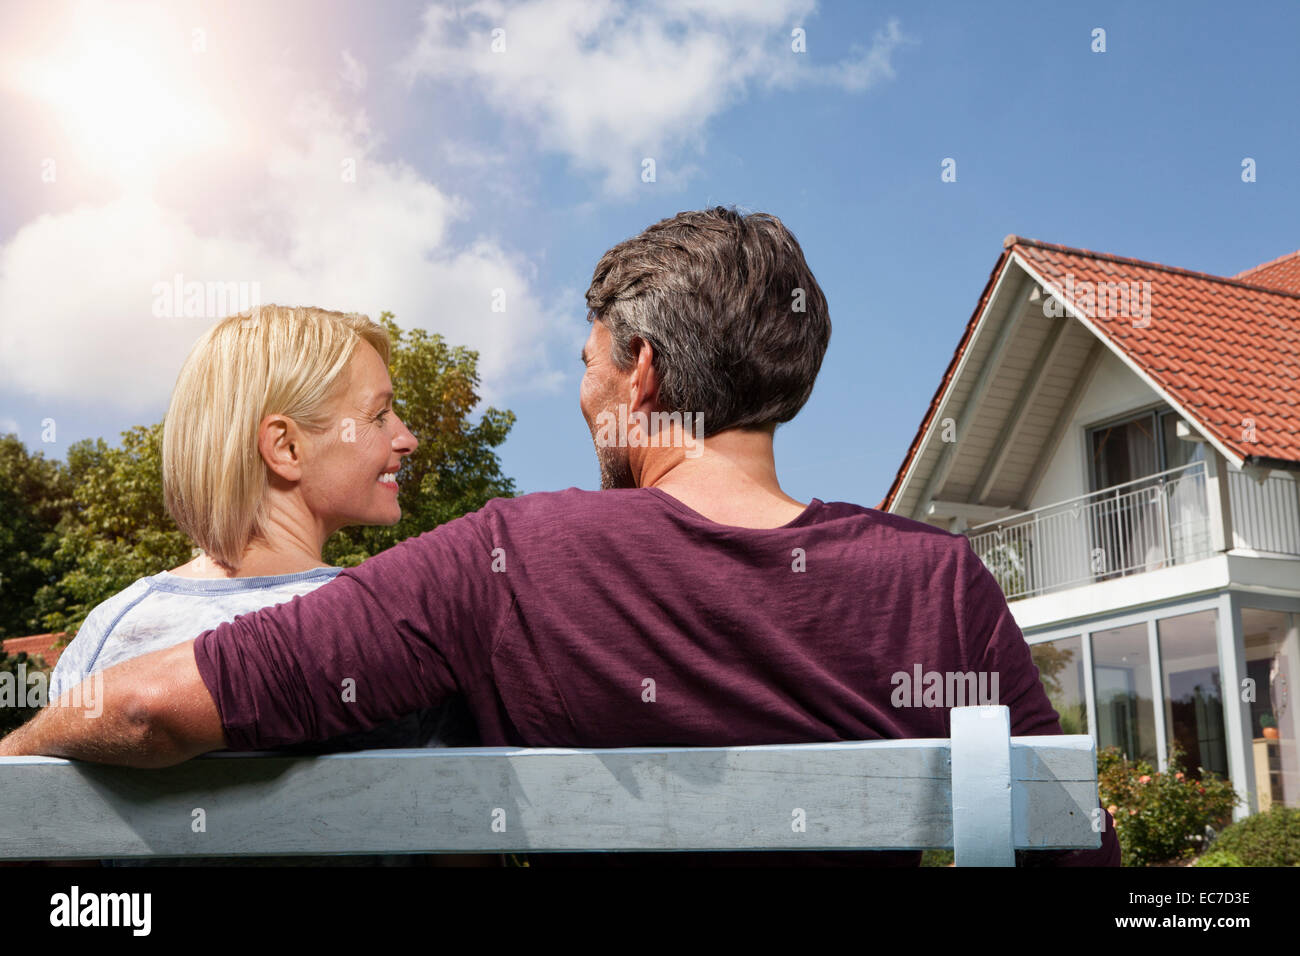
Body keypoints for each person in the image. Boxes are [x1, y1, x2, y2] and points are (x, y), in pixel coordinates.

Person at [2, 209, 1119, 866]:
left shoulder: (509, 561)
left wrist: (13, 755)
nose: (582, 399)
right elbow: (1071, 837)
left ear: (643, 374)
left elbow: (150, 706)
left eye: (588, 369)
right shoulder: (935, 581)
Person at [44, 303, 474, 865]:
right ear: (287, 448)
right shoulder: (404, 627)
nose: (407, 438)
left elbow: (54, 849)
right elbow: (464, 843)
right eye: (379, 415)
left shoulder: (108, 631)